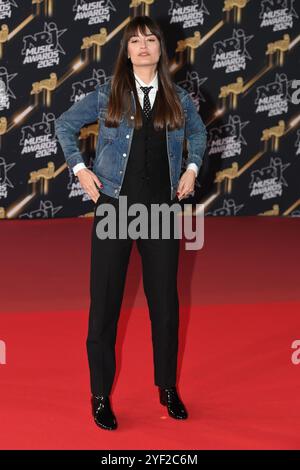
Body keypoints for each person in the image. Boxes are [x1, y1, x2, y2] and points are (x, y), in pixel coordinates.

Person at [55, 15, 207, 431]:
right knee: (104, 305)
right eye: (135, 41)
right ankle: (100, 395)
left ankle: (168, 387)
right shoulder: (108, 95)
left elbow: (199, 134)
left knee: (166, 307)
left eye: (150, 40)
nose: (143, 47)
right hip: (114, 210)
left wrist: (192, 169)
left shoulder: (178, 98)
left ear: (161, 48)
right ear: (126, 50)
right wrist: (80, 170)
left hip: (160, 212)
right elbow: (64, 125)